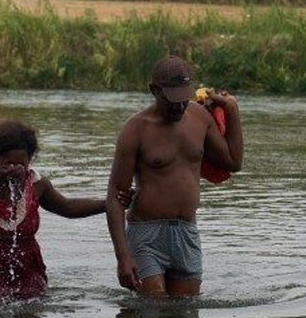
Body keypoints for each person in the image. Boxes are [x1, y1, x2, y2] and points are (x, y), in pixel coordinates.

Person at [0, 120, 132, 301]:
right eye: (8, 164)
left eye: (21, 164)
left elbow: (68, 207)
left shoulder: (36, 183)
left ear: (30, 160)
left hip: (29, 268)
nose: (15, 169)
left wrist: (110, 203)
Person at [104, 56, 243, 298]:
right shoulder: (136, 129)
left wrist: (231, 110)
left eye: (184, 99)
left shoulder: (200, 118)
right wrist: (123, 258)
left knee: (184, 316)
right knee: (151, 313)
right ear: (154, 90)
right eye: (172, 100)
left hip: (186, 232)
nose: (179, 107)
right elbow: (115, 198)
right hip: (147, 233)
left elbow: (233, 162)